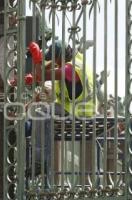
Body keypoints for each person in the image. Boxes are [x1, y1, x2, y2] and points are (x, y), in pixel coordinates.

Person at [25, 40, 95, 179]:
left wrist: (37, 57)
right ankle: (41, 160)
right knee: (44, 115)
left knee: (41, 115)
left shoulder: (70, 69)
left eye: (55, 59)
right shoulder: (73, 60)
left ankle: (41, 162)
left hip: (78, 112)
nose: (54, 63)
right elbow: (42, 72)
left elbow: (43, 75)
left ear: (62, 56)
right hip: (75, 108)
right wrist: (32, 76)